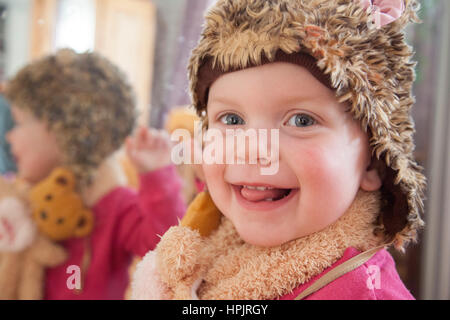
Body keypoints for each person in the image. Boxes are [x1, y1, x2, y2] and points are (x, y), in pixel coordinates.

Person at [131, 0, 426, 300]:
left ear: (373, 163)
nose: (253, 150)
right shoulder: (215, 236)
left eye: (301, 120)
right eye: (232, 119)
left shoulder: (363, 293)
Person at [4, 48, 186, 299]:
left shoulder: (116, 205)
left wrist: (156, 176)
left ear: (62, 131)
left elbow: (166, 247)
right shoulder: (19, 202)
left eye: (20, 123)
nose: (9, 136)